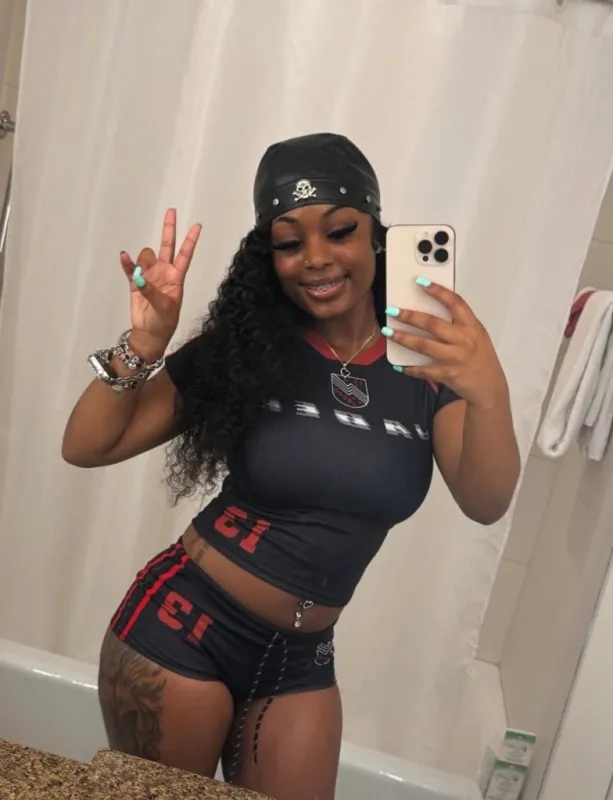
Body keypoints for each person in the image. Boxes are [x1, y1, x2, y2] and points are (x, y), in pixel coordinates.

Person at [62, 132, 520, 800]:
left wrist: (489, 391)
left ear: (376, 235)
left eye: (339, 231)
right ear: (267, 255)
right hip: (185, 628)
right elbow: (87, 446)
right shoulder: (247, 349)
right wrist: (144, 344)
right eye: (288, 242)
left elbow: (485, 500)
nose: (316, 259)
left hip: (300, 659)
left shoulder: (429, 363)